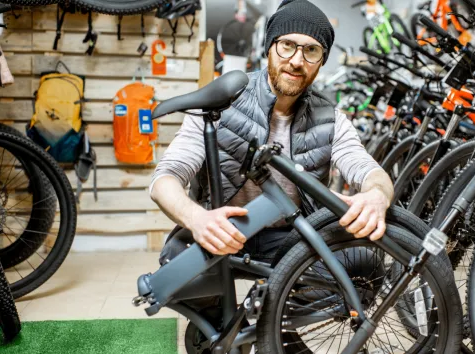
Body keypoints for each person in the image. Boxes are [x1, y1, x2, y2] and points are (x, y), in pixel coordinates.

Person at [150, 0, 394, 265]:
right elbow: (166, 178)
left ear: (322, 60)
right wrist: (197, 219)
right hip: (221, 228)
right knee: (178, 263)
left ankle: (286, 306)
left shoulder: (330, 119)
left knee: (363, 263)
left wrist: (377, 195)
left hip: (290, 236)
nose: (297, 61)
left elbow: (367, 169)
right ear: (269, 47)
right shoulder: (221, 102)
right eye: (287, 45)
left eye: (311, 50)